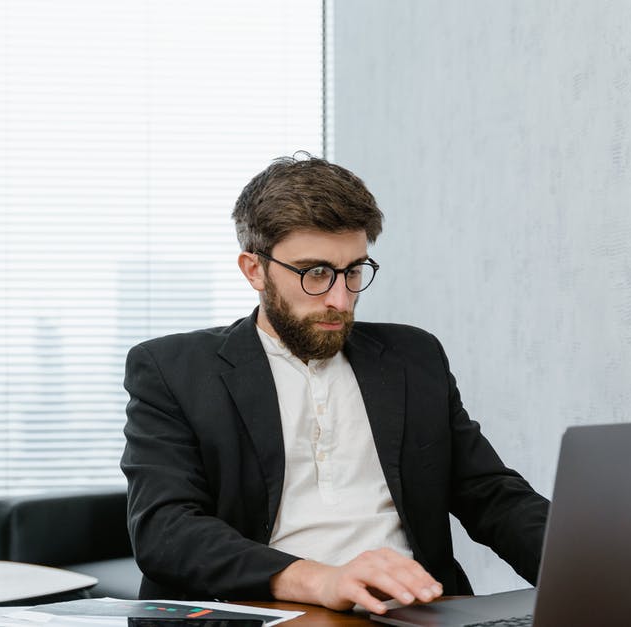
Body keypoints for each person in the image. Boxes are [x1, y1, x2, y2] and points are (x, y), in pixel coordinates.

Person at [121, 154, 550, 614]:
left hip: (414, 614)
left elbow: (493, 496)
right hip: (262, 612)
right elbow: (165, 529)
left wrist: (595, 568)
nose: (340, 299)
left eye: (353, 271)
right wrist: (321, 580)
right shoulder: (173, 369)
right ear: (254, 270)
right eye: (315, 273)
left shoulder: (413, 358)